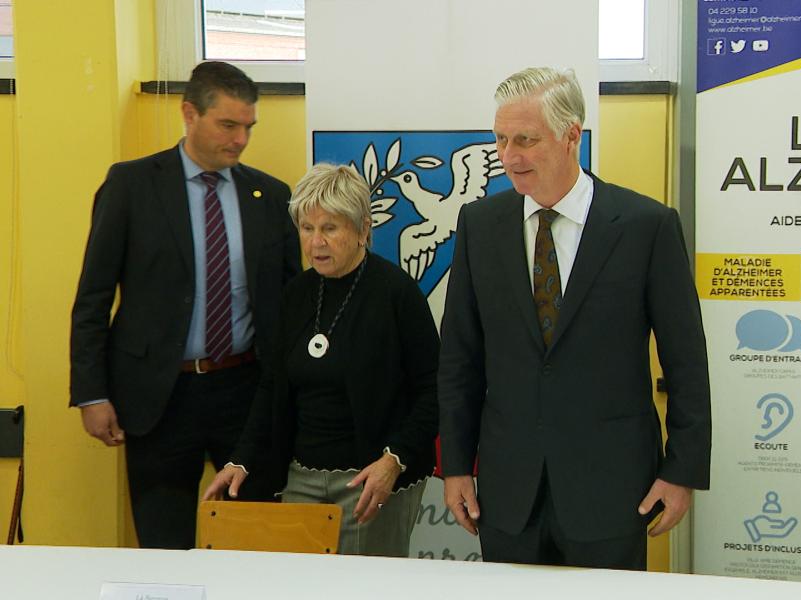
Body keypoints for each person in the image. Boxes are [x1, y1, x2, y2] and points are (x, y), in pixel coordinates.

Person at [438, 67, 711, 570]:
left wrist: (683, 470)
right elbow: (460, 358)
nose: (509, 156)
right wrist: (454, 466)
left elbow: (687, 360)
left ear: (571, 136)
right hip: (509, 491)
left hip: (611, 489)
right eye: (500, 139)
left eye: (526, 139)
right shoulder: (480, 226)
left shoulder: (646, 226)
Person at [69, 61, 301, 549]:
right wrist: (92, 393)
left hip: (244, 391)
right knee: (164, 545)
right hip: (159, 396)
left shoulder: (269, 195)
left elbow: (288, 301)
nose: (240, 140)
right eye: (228, 125)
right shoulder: (132, 186)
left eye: (248, 128)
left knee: (253, 541)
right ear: (189, 114)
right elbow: (92, 297)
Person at [203, 163, 439, 557]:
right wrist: (241, 460)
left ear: (364, 229)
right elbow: (272, 387)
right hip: (301, 478)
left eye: (330, 228)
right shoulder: (296, 294)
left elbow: (434, 390)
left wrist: (393, 460)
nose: (316, 243)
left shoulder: (396, 294)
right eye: (307, 229)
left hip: (371, 481)